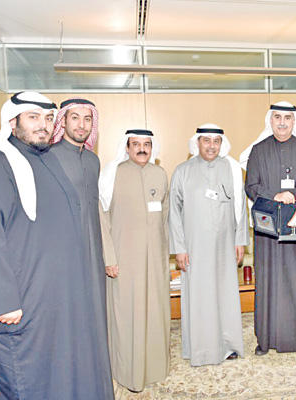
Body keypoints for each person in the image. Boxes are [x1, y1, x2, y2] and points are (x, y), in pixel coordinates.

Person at [0, 91, 113, 400]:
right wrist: (5, 300)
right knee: (31, 376)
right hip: (21, 300)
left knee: (64, 369)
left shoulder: (46, 161)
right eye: (33, 117)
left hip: (56, 294)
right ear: (12, 121)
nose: (43, 125)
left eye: (48, 118)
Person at [243, 101, 296, 356]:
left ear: (294, 121)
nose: (283, 122)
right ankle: (266, 339)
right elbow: (251, 186)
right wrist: (274, 195)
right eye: (278, 117)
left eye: (287, 117)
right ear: (271, 120)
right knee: (269, 282)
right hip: (268, 228)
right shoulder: (258, 151)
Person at [169, 124, 248, 366]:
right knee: (200, 296)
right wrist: (179, 248)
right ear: (197, 143)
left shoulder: (232, 169)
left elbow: (240, 208)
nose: (212, 146)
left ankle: (228, 345)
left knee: (225, 294)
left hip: (225, 245)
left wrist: (240, 240)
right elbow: (174, 212)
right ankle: (201, 350)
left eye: (216, 141)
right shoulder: (182, 171)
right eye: (207, 140)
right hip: (194, 247)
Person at [99, 129, 170, 391]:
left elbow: (165, 218)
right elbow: (102, 219)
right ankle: (128, 372)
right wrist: (109, 257)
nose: (142, 149)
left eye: (147, 144)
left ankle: (156, 368)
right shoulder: (112, 174)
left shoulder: (160, 174)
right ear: (127, 147)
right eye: (136, 144)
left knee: (155, 313)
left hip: (155, 261)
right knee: (127, 316)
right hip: (124, 260)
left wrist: (165, 257)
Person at [50, 98, 112, 381]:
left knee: (94, 316)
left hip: (93, 253)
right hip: (63, 255)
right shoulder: (49, 157)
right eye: (75, 117)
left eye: (87, 119)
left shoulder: (92, 160)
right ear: (63, 120)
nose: (81, 125)